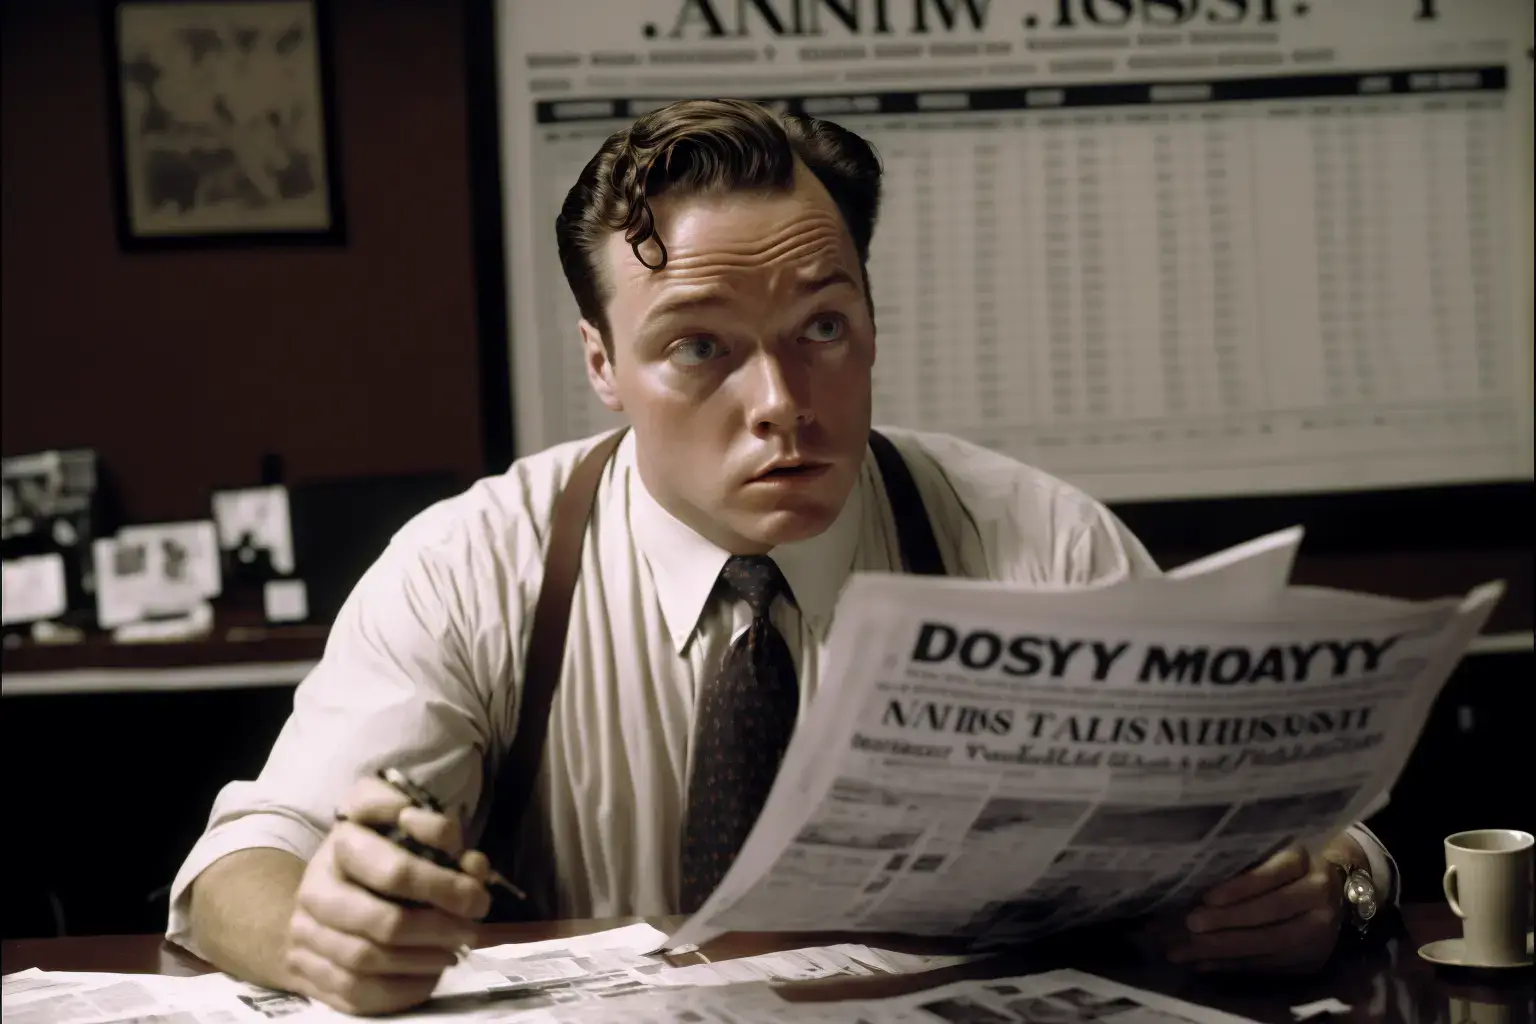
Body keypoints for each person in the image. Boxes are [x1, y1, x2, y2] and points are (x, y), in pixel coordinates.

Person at [171, 98, 1399, 1015]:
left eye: (823, 327)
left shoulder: (1035, 540)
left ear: (872, 323)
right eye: (699, 346)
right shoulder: (474, 564)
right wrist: (320, 932)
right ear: (602, 364)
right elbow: (240, 864)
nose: (781, 404)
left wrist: (1326, 887)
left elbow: (1317, 832)